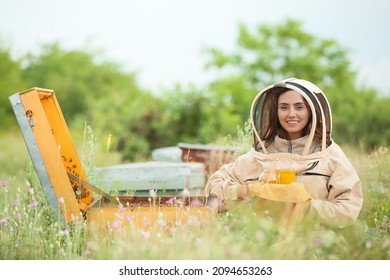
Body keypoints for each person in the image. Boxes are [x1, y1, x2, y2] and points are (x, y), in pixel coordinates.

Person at [205, 78, 363, 228]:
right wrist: (242, 191)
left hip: (315, 247)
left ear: (311, 111)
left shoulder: (331, 156)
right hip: (260, 245)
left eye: (299, 107)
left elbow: (349, 208)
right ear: (276, 111)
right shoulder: (259, 155)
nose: (291, 114)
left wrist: (305, 208)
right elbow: (213, 189)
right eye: (284, 107)